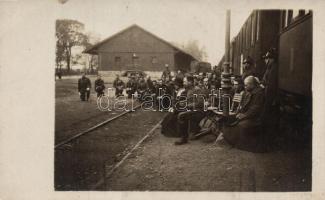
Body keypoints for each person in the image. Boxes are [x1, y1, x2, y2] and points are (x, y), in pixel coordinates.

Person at [221, 76, 265, 152]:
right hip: (250, 116)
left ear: (252, 85)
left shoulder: (259, 93)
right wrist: (240, 113)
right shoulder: (251, 92)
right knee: (229, 119)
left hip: (256, 118)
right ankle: (232, 140)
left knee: (241, 125)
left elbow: (255, 109)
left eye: (246, 85)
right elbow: (245, 106)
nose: (245, 87)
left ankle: (242, 145)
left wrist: (244, 115)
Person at [174, 76, 208, 145]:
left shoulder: (197, 90)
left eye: (185, 82)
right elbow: (190, 100)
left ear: (190, 82)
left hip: (199, 111)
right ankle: (184, 133)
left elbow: (200, 103)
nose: (183, 83)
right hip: (193, 110)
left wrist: (188, 105)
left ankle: (184, 138)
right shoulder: (189, 90)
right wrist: (184, 103)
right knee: (178, 112)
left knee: (181, 116)